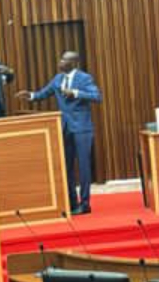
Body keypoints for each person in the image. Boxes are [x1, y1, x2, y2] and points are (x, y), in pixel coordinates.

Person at [18, 51, 102, 214]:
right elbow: (43, 93)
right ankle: (72, 202)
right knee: (67, 167)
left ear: (74, 63)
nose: (60, 61)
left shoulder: (84, 78)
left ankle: (85, 204)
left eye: (65, 59)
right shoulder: (58, 79)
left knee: (83, 167)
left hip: (82, 129)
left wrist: (76, 93)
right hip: (64, 129)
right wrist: (30, 95)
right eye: (61, 58)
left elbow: (97, 96)